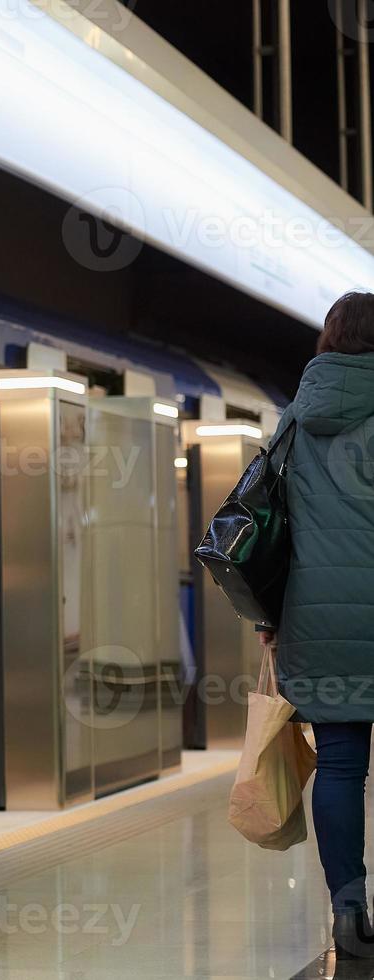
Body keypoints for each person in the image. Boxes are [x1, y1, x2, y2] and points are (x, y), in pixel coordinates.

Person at [261, 289, 374, 958]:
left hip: (318, 614)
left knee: (339, 765)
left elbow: (267, 528)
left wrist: (269, 618)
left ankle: (350, 913)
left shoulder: (294, 422)